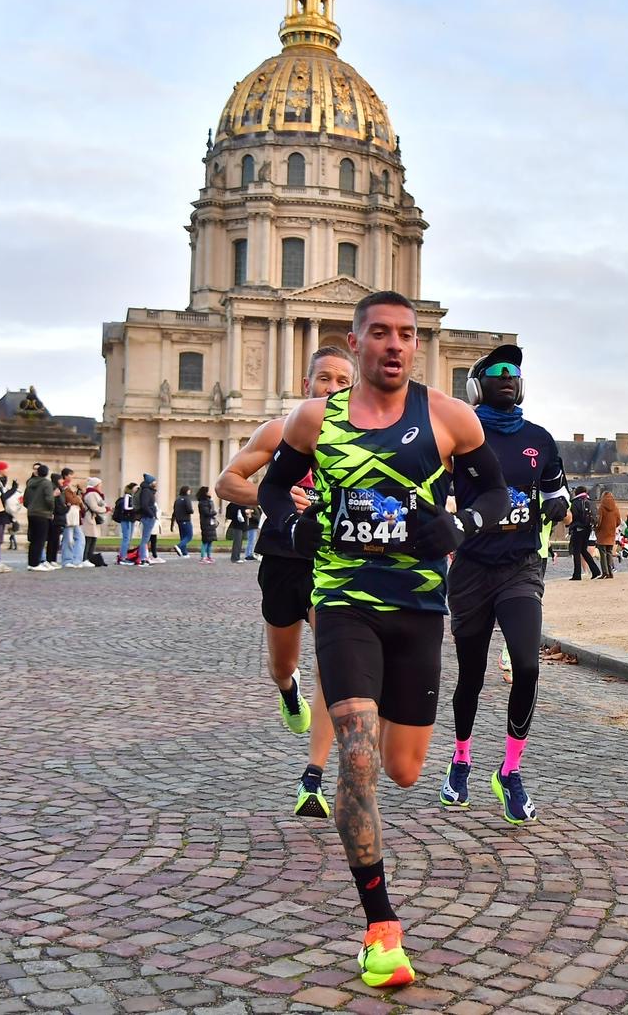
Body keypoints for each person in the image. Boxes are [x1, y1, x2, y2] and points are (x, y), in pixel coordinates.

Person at [257, 291, 510, 988]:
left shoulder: (450, 417)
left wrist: (461, 529)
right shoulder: (316, 419)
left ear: (417, 344)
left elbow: (497, 496)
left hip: (420, 611)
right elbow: (278, 492)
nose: (395, 345)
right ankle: (381, 927)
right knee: (358, 757)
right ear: (357, 340)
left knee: (402, 767)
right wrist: (296, 527)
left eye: (407, 334)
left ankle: (380, 913)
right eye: (380, 334)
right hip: (343, 604)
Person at [215, 344, 355, 822]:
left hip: (332, 564)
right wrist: (271, 493)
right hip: (280, 558)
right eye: (324, 379)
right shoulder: (279, 431)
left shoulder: (364, 443)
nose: (333, 388)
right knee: (283, 664)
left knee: (334, 663)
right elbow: (226, 481)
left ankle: (312, 776)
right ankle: (287, 690)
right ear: (306, 385)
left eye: (342, 381)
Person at [437, 345, 569, 825]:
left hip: (520, 567)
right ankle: (461, 759)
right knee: (470, 677)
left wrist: (558, 505)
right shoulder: (460, 436)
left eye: (514, 372)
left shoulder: (540, 439)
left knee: (528, 666)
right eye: (496, 372)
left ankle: (510, 772)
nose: (508, 377)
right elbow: (435, 491)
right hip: (472, 570)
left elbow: (556, 491)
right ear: (477, 386)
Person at [22, 464, 54, 570]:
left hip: (31, 513)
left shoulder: (30, 483)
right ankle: (36, 564)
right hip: (43, 514)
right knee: (40, 540)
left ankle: (31, 563)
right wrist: (51, 510)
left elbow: (25, 499)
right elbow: (49, 499)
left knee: (33, 540)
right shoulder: (47, 483)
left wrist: (30, 507)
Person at [566, 486, 601, 580]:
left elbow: (574, 516)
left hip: (578, 529)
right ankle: (595, 570)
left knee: (576, 551)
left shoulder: (575, 502)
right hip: (588, 528)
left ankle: (577, 574)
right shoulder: (590, 501)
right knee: (583, 550)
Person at [60, 472, 85, 568]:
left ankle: (76, 560)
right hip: (69, 517)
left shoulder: (70, 488)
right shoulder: (65, 488)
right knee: (69, 539)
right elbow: (72, 500)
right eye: (70, 475)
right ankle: (67, 560)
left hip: (75, 517)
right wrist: (77, 498)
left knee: (79, 538)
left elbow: (78, 500)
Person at [82, 477, 107, 567]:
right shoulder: (92, 494)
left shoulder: (95, 494)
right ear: (96, 485)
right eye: (100, 485)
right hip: (90, 518)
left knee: (92, 539)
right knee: (89, 539)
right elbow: (94, 507)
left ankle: (89, 558)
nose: (101, 487)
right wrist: (104, 509)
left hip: (93, 518)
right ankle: (85, 558)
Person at [595, 491, 620, 579]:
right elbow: (618, 522)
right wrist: (612, 526)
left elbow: (599, 521)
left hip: (602, 533)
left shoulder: (601, 507)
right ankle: (610, 572)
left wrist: (596, 529)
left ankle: (604, 572)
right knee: (609, 553)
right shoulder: (616, 508)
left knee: (603, 554)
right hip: (611, 533)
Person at [136, 473, 160, 563]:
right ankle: (143, 558)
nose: (155, 483)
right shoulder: (146, 491)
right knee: (145, 539)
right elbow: (145, 505)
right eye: (154, 481)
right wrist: (152, 515)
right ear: (150, 482)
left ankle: (144, 557)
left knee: (146, 539)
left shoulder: (148, 491)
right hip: (148, 518)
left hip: (149, 517)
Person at [115, 483, 140, 563]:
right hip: (126, 519)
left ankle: (125, 555)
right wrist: (135, 508)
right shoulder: (127, 496)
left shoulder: (132, 497)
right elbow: (126, 507)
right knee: (126, 538)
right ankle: (122, 557)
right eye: (136, 488)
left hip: (131, 519)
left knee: (129, 538)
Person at [172, 486, 195, 558]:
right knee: (189, 536)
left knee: (183, 536)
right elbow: (189, 509)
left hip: (179, 520)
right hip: (186, 519)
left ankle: (184, 553)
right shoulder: (187, 499)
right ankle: (178, 546)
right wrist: (192, 511)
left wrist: (172, 522)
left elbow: (174, 511)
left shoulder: (177, 499)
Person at [197, 485, 218, 563]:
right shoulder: (203, 502)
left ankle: (209, 556)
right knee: (205, 541)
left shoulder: (209, 501)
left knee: (210, 540)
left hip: (210, 522)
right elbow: (206, 512)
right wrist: (214, 512)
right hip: (206, 523)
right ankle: (203, 557)